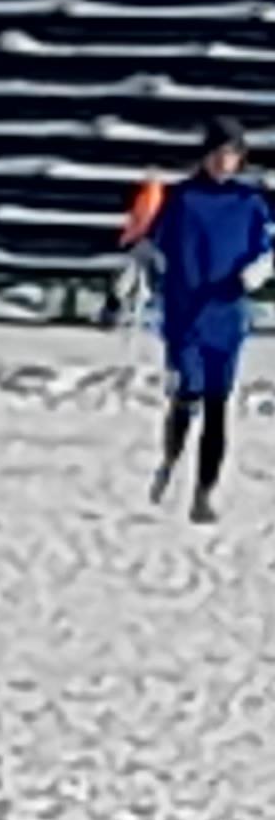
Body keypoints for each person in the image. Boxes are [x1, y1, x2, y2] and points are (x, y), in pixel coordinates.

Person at [123, 120, 270, 523]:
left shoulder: (251, 203)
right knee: (187, 391)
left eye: (232, 154)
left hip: (227, 313)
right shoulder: (181, 199)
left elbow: (267, 248)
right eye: (218, 153)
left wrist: (258, 270)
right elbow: (149, 241)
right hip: (186, 312)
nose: (224, 161)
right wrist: (142, 263)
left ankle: (204, 493)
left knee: (219, 405)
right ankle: (171, 458)